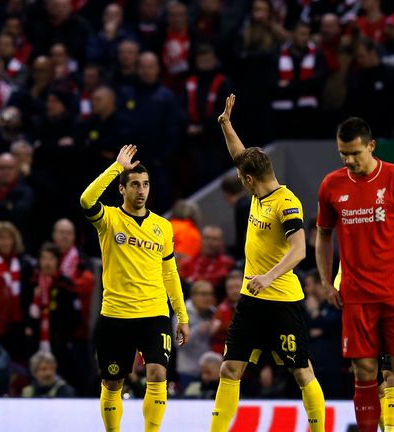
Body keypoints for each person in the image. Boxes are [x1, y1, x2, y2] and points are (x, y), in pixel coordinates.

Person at [210, 94, 325, 432]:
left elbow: (300, 250)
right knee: (230, 369)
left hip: (282, 301)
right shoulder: (259, 190)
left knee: (301, 371)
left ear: (248, 180)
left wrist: (268, 276)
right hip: (252, 301)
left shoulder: (286, 203)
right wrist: (226, 125)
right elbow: (239, 157)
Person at [316, 117, 394, 432]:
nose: (350, 160)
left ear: (371, 146)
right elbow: (323, 235)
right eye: (344, 154)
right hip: (356, 296)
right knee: (364, 371)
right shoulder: (331, 185)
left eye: (355, 153)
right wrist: (328, 283)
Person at [80, 145, 190, 432]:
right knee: (112, 381)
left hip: (154, 313)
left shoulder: (163, 227)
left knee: (157, 374)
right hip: (116, 315)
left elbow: (170, 273)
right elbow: (86, 200)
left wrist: (182, 315)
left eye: (145, 184)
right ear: (122, 189)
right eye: (135, 185)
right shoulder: (109, 221)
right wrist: (117, 167)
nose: (141, 191)